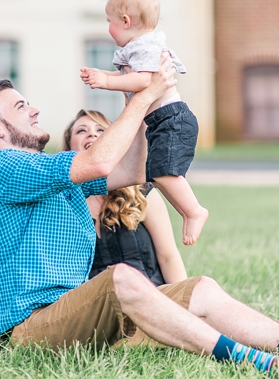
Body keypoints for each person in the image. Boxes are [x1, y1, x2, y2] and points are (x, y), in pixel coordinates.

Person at [0, 57, 279, 374]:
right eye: (21, 107)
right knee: (120, 278)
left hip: (77, 315)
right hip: (27, 328)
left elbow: (132, 170)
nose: (34, 110)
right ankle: (254, 361)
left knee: (201, 289)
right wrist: (145, 95)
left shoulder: (46, 174)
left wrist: (134, 96)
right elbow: (99, 163)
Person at [80, 0, 208, 245]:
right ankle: (189, 212)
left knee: (163, 173)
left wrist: (107, 82)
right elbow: (131, 76)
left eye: (110, 21)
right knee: (157, 173)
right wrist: (103, 74)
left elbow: (142, 82)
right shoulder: (140, 48)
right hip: (164, 121)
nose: (108, 27)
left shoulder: (144, 47)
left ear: (125, 21)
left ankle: (194, 211)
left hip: (171, 120)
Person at [62, 109, 186, 287]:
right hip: (97, 308)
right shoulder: (62, 202)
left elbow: (168, 257)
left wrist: (183, 302)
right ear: (68, 148)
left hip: (154, 297)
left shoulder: (141, 192)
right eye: (82, 130)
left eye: (101, 130)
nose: (92, 133)